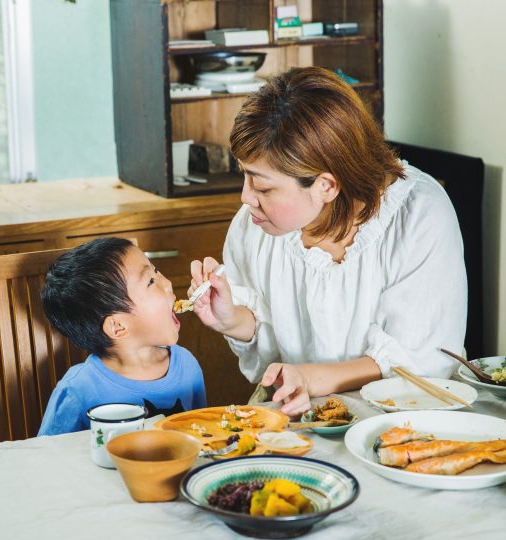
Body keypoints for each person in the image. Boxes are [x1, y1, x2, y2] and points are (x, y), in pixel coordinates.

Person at [188, 66, 467, 417]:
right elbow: (267, 336)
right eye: (245, 175)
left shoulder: (418, 215)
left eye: (263, 187)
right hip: (297, 413)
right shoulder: (256, 225)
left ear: (327, 186)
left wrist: (310, 378)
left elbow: (419, 361)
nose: (246, 198)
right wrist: (230, 320)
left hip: (402, 419)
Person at [38, 237, 206, 435]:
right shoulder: (79, 391)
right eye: (151, 281)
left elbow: (203, 437)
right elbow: (49, 456)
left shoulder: (187, 365)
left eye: (156, 270)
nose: (168, 283)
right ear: (118, 326)